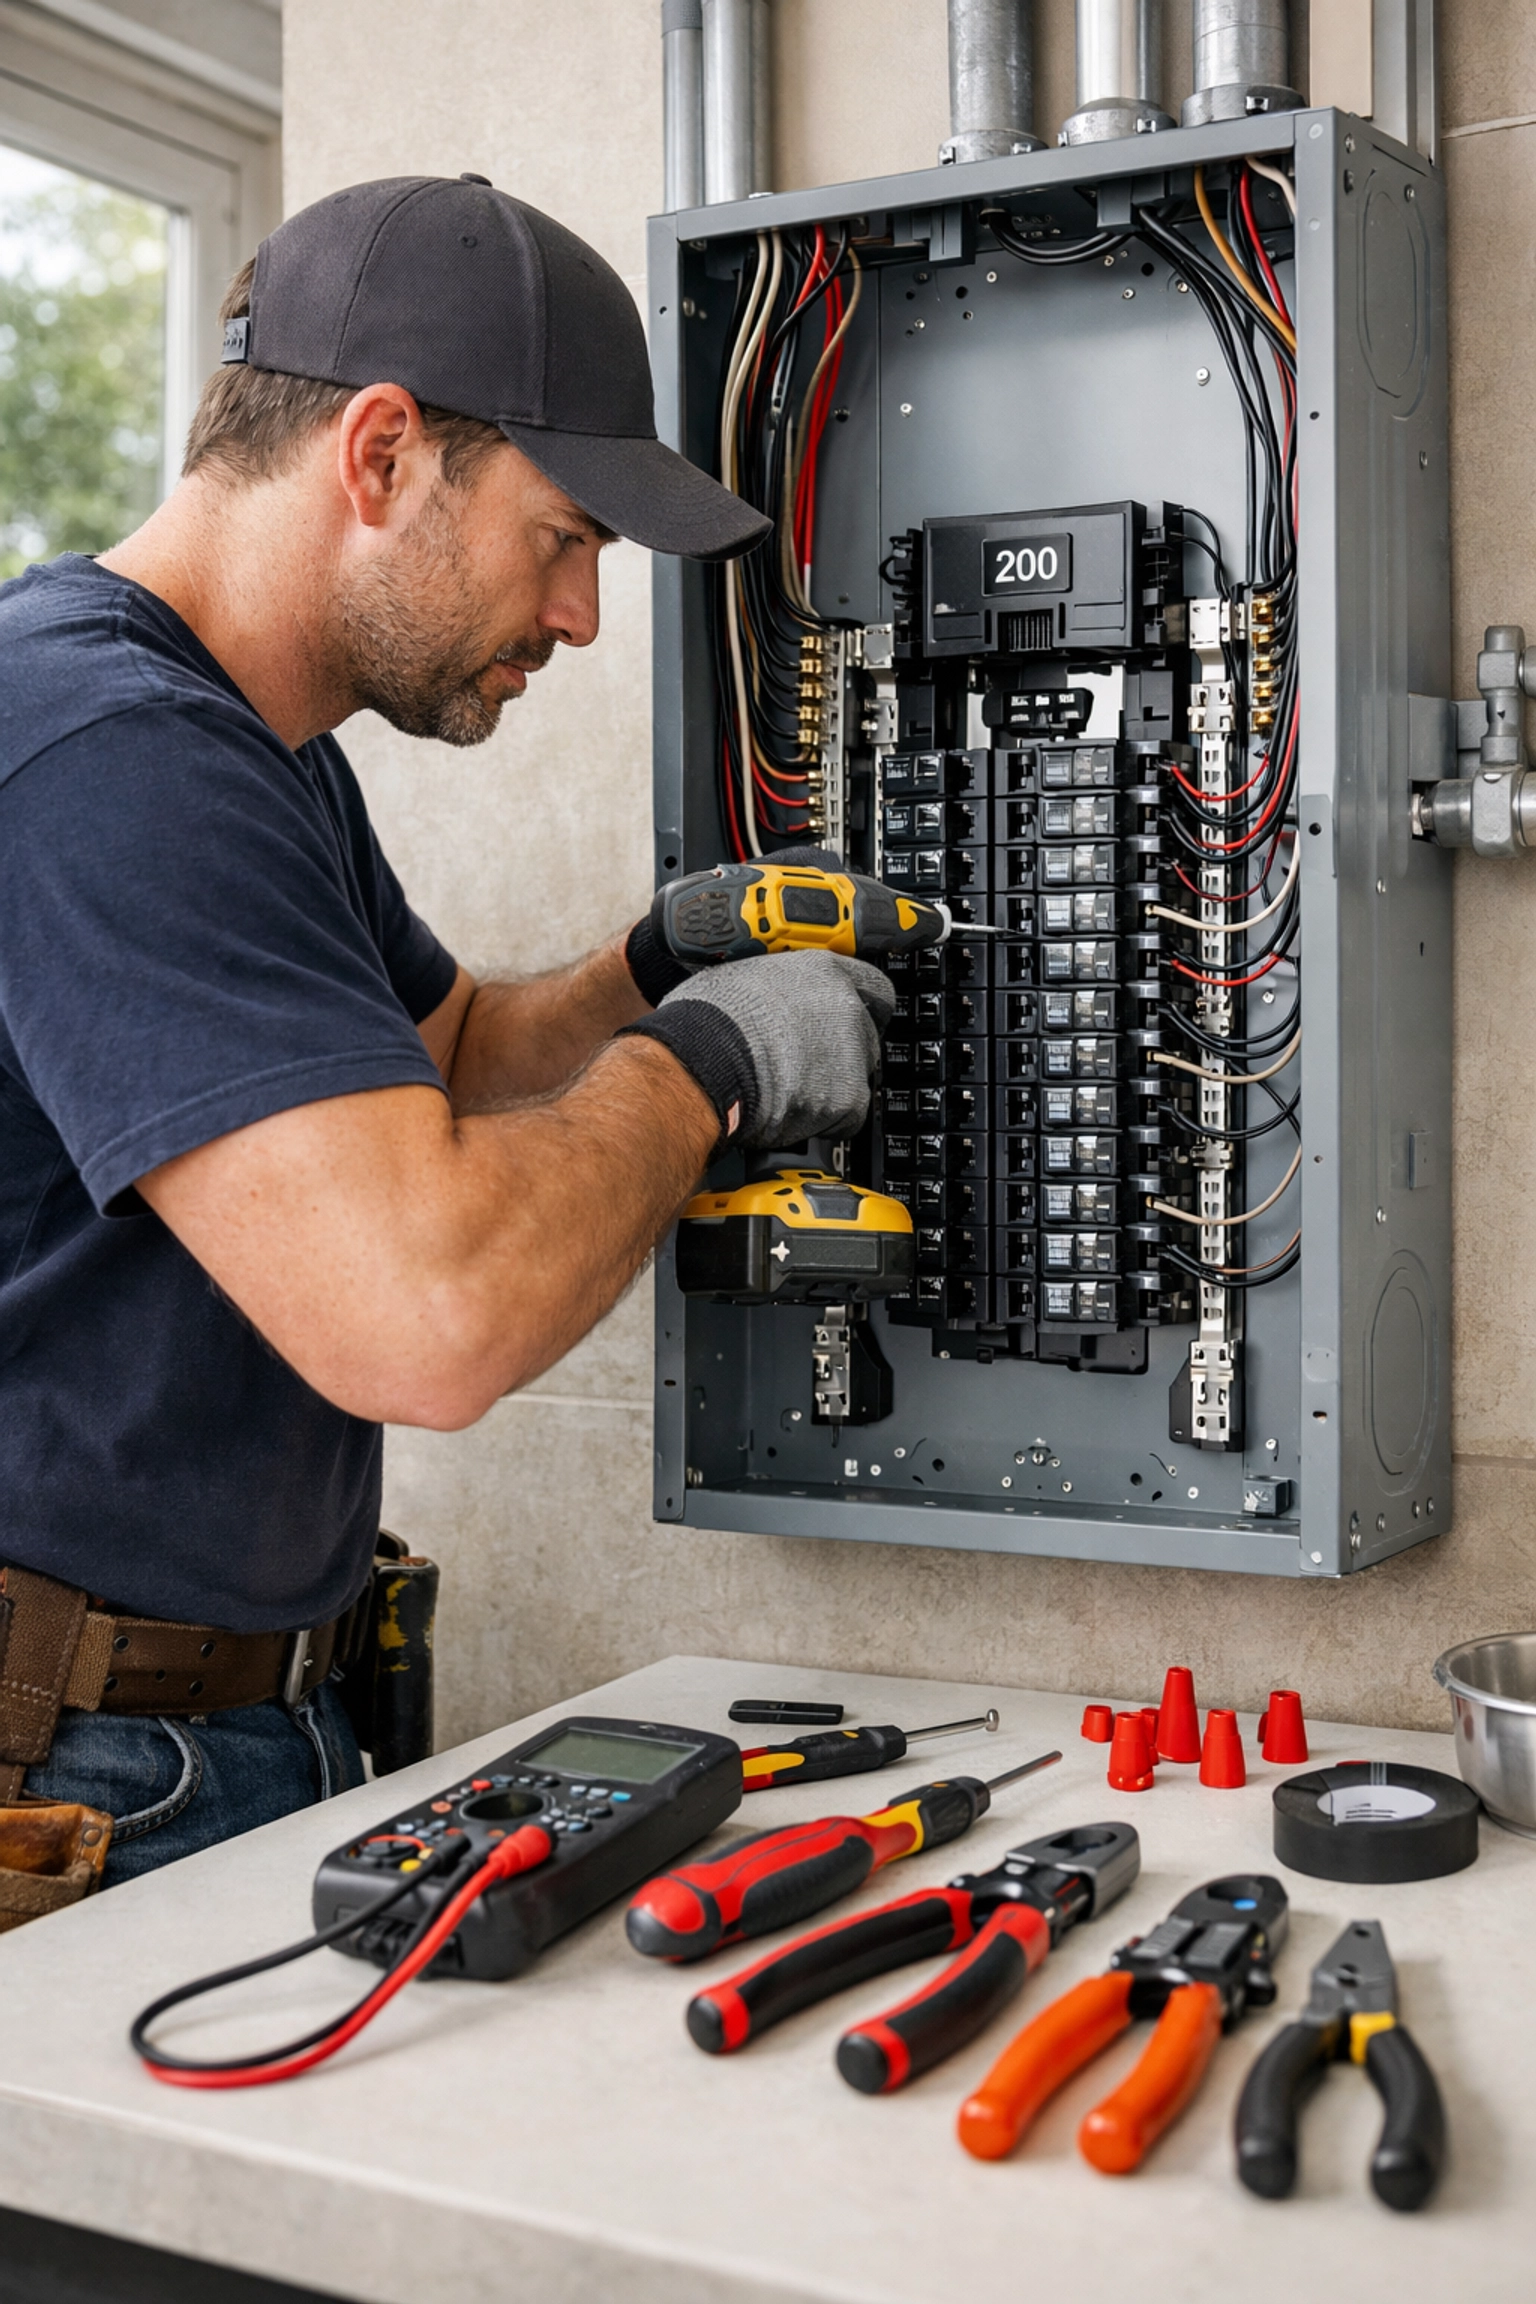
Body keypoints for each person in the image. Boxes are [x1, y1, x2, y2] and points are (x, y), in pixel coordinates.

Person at [0, 174, 891, 1881]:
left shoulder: (251, 749)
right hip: (87, 1769)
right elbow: (429, 1314)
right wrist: (710, 1069)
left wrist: (658, 960)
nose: (578, 617)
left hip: (232, 1725)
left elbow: (456, 1053)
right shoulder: (107, 754)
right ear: (385, 453)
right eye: (566, 539)